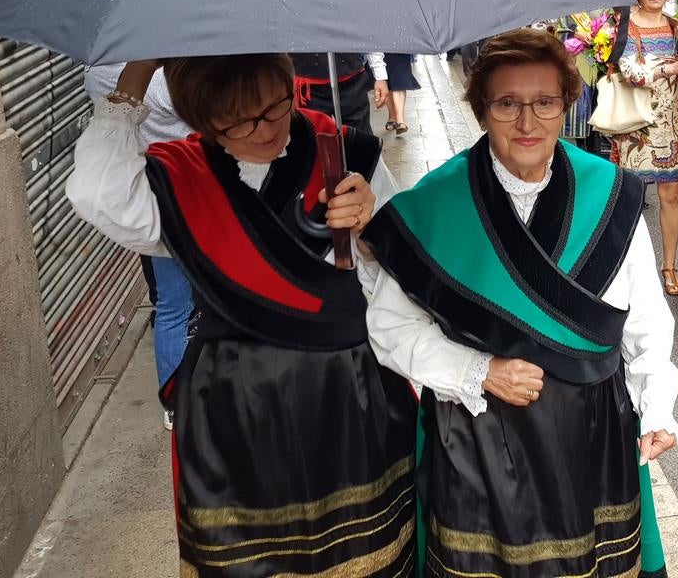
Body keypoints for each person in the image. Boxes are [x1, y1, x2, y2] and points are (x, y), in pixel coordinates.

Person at [65, 56, 417, 574]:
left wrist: (370, 234)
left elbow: (407, 278)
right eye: (237, 119)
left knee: (360, 553)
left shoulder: (345, 154)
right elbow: (96, 192)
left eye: (275, 107)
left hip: (347, 391)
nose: (264, 130)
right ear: (201, 117)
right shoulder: (179, 177)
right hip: (235, 404)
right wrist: (135, 79)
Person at [362, 28, 678, 578]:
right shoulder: (437, 203)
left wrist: (656, 405)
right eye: (507, 103)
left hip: (590, 433)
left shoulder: (610, 192)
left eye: (544, 102)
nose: (527, 122)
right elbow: (389, 327)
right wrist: (478, 370)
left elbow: (647, 319)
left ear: (567, 105)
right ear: (480, 108)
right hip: (478, 436)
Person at [82, 62, 194, 430]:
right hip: (187, 188)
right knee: (190, 299)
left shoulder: (94, 73)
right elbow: (203, 113)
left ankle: (173, 402)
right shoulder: (160, 81)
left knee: (171, 304)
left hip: (147, 193)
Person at [609, 0, 678, 296]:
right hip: (635, 127)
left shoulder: (677, 27)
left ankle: (669, 266)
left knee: (672, 194)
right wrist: (670, 68)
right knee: (630, 198)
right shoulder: (624, 25)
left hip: (673, 124)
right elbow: (629, 73)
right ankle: (625, 267)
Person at [289, 51, 390, 135]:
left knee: (360, 140)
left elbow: (367, 31)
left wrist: (380, 75)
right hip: (307, 86)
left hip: (351, 80)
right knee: (313, 143)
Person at [382, 52, 420, 135]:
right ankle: (392, 116)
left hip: (401, 45)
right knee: (386, 79)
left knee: (400, 76)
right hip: (381, 46)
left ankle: (400, 120)